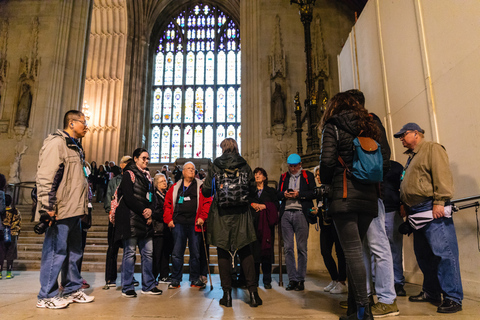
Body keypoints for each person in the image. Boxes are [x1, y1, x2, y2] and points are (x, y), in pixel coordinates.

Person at [319, 92, 388, 320]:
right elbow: (385, 158)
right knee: (355, 251)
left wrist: (329, 182)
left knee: (353, 253)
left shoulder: (334, 125)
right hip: (369, 196)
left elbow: (327, 161)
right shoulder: (371, 124)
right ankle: (353, 309)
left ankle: (363, 311)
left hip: (344, 195)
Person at [395, 122, 463, 313]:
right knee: (424, 255)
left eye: (403, 134)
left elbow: (442, 174)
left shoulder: (432, 148)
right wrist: (405, 205)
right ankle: (431, 292)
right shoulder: (411, 157)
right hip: (416, 212)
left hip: (430, 208)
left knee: (444, 253)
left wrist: (440, 200)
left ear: (416, 133)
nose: (400, 138)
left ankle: (453, 297)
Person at [346, 89, 398, 317]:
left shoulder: (371, 122)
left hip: (371, 193)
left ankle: (387, 299)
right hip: (358, 193)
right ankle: (364, 297)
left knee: (379, 246)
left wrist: (373, 182)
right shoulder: (358, 125)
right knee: (363, 248)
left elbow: (383, 159)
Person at [35, 110, 94, 309]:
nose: (86, 126)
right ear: (71, 123)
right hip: (59, 209)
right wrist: (47, 207)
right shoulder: (56, 143)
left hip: (75, 209)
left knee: (74, 251)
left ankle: (72, 289)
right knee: (55, 252)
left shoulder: (75, 147)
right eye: (83, 122)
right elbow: (47, 176)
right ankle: (46, 295)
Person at [201, 138, 261, 308]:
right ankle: (253, 294)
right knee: (245, 251)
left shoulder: (216, 164)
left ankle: (226, 295)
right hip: (241, 213)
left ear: (222, 149)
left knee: (223, 251)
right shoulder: (244, 164)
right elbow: (253, 190)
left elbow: (206, 191)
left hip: (221, 213)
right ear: (236, 147)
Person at [114, 148, 162, 298]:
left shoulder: (147, 177)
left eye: (148, 159)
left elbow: (152, 198)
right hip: (131, 219)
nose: (146, 161)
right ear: (135, 159)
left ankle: (148, 285)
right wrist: (143, 210)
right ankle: (127, 286)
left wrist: (150, 211)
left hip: (145, 220)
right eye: (143, 158)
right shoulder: (129, 174)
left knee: (148, 253)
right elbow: (128, 197)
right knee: (129, 253)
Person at [163, 161, 211, 290]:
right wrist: (169, 220)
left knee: (195, 253)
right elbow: (167, 204)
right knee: (177, 253)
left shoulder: (201, 186)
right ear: (183, 172)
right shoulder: (175, 187)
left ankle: (195, 278)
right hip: (178, 223)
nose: (191, 170)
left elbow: (207, 202)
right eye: (188, 168)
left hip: (195, 223)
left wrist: (202, 217)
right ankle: (175, 279)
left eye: (193, 169)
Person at [277, 153, 316, 291]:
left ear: (300, 165)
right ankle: (292, 279)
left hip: (301, 213)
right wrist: (285, 195)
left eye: (295, 166)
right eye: (290, 166)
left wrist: (299, 194)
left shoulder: (308, 176)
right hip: (286, 213)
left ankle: (301, 279)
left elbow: (313, 193)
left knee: (301, 248)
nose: (293, 169)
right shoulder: (283, 177)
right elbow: (278, 194)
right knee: (288, 248)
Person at [312, 166, 347, 294]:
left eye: (319, 174)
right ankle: (334, 278)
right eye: (316, 175)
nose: (318, 177)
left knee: (340, 252)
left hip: (335, 223)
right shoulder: (320, 191)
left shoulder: (333, 187)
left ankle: (342, 281)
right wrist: (317, 211)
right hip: (324, 225)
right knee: (325, 252)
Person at [103, 156, 132, 288]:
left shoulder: (134, 179)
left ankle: (128, 278)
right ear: (122, 165)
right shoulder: (114, 181)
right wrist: (112, 213)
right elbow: (108, 198)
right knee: (112, 249)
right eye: (128, 163)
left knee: (129, 250)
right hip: (115, 220)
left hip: (129, 219)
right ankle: (110, 278)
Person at [249, 167, 279, 289]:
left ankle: (267, 280)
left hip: (266, 226)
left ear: (265, 177)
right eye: (255, 174)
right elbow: (246, 202)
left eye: (260, 174)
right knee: (254, 254)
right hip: (253, 224)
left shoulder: (270, 191)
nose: (257, 176)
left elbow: (276, 205)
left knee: (266, 253)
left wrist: (264, 206)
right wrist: (252, 204)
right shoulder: (251, 191)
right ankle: (255, 280)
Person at [383, 160, 406, 296]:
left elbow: (404, 186)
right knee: (376, 250)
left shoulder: (396, 166)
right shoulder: (369, 163)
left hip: (392, 210)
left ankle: (398, 282)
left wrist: (403, 203)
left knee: (395, 248)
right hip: (374, 211)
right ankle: (379, 281)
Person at [152, 173, 172, 283]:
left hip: (166, 229)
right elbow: (155, 211)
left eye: (165, 181)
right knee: (157, 254)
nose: (164, 183)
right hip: (158, 228)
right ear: (156, 184)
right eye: (162, 181)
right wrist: (166, 216)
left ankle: (164, 275)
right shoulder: (155, 195)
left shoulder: (166, 195)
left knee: (165, 253)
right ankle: (153, 276)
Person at [1, 194, 21, 279]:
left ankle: (0, 273)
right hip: (12, 234)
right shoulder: (16, 211)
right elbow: (19, 223)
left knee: (1, 252)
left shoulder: (1, 211)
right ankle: (9, 272)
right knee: (11, 253)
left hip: (1, 234)